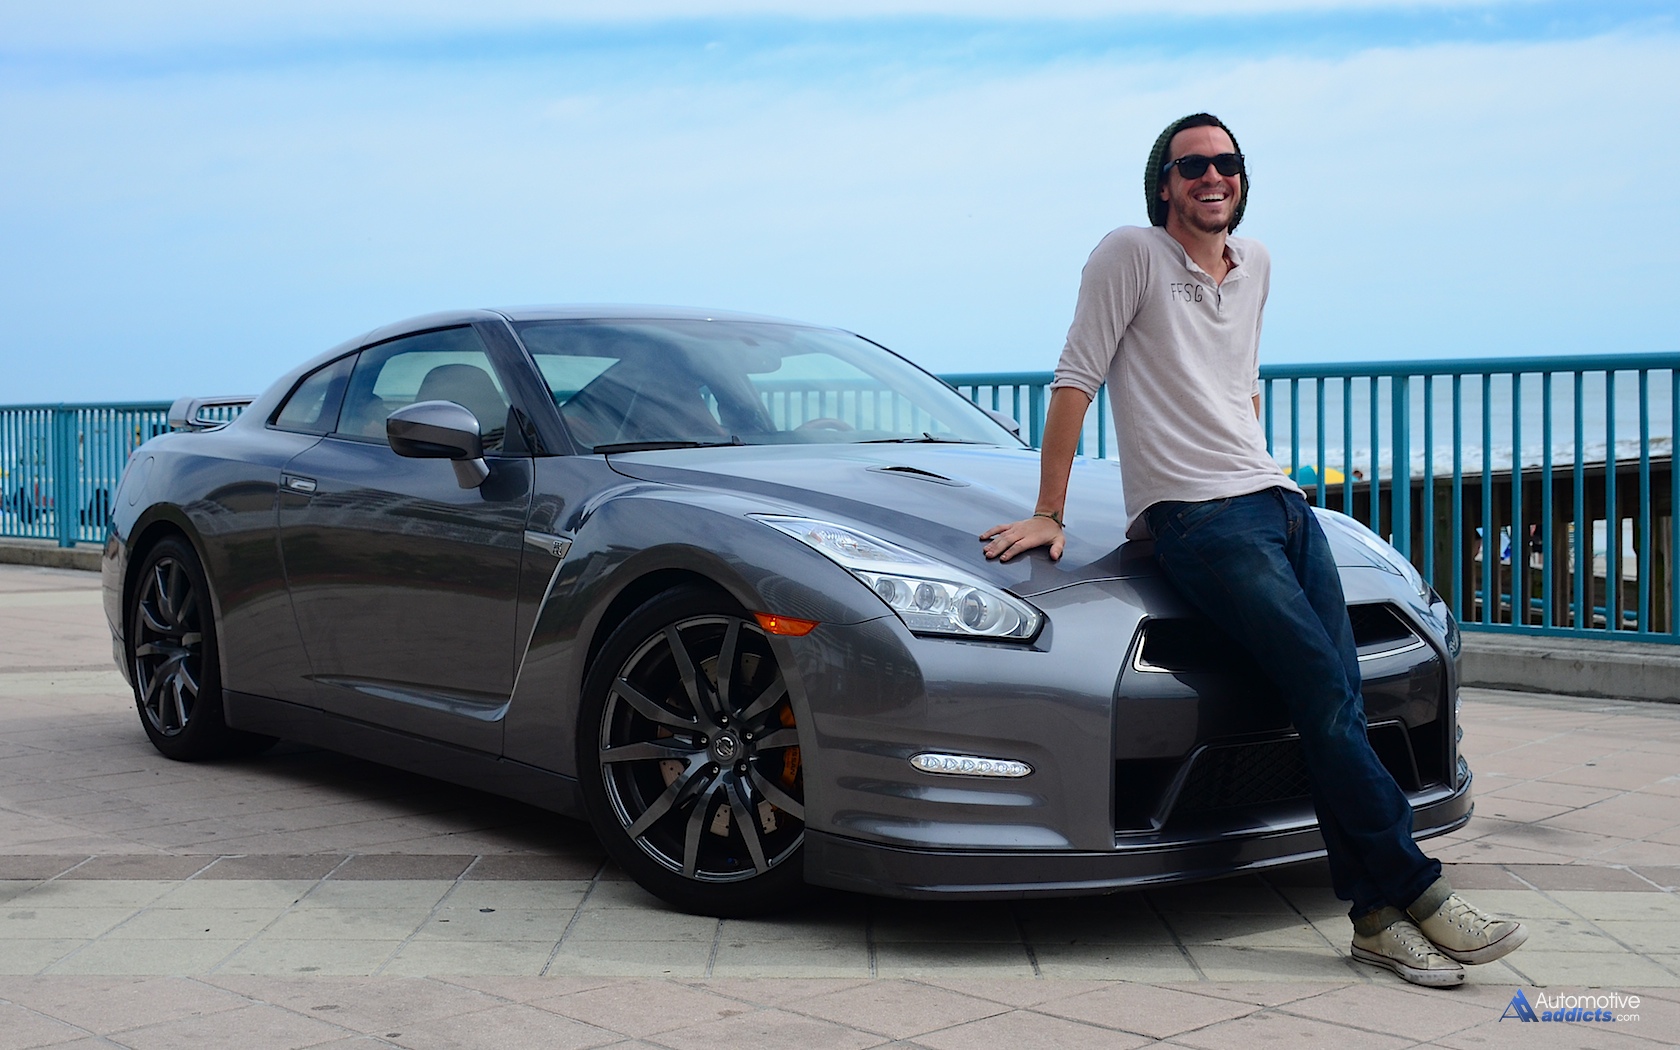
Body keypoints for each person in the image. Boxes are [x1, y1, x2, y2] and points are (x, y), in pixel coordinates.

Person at [980, 112, 1527, 988]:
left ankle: (1376, 921)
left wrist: (1268, 475)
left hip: (1282, 504)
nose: (1213, 176)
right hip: (1198, 517)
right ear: (1164, 183)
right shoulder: (1130, 253)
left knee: (1336, 699)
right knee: (1322, 691)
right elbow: (1076, 378)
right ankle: (1418, 889)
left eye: (1227, 163)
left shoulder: (1257, 263)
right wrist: (1049, 509)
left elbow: (1241, 388)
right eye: (1193, 164)